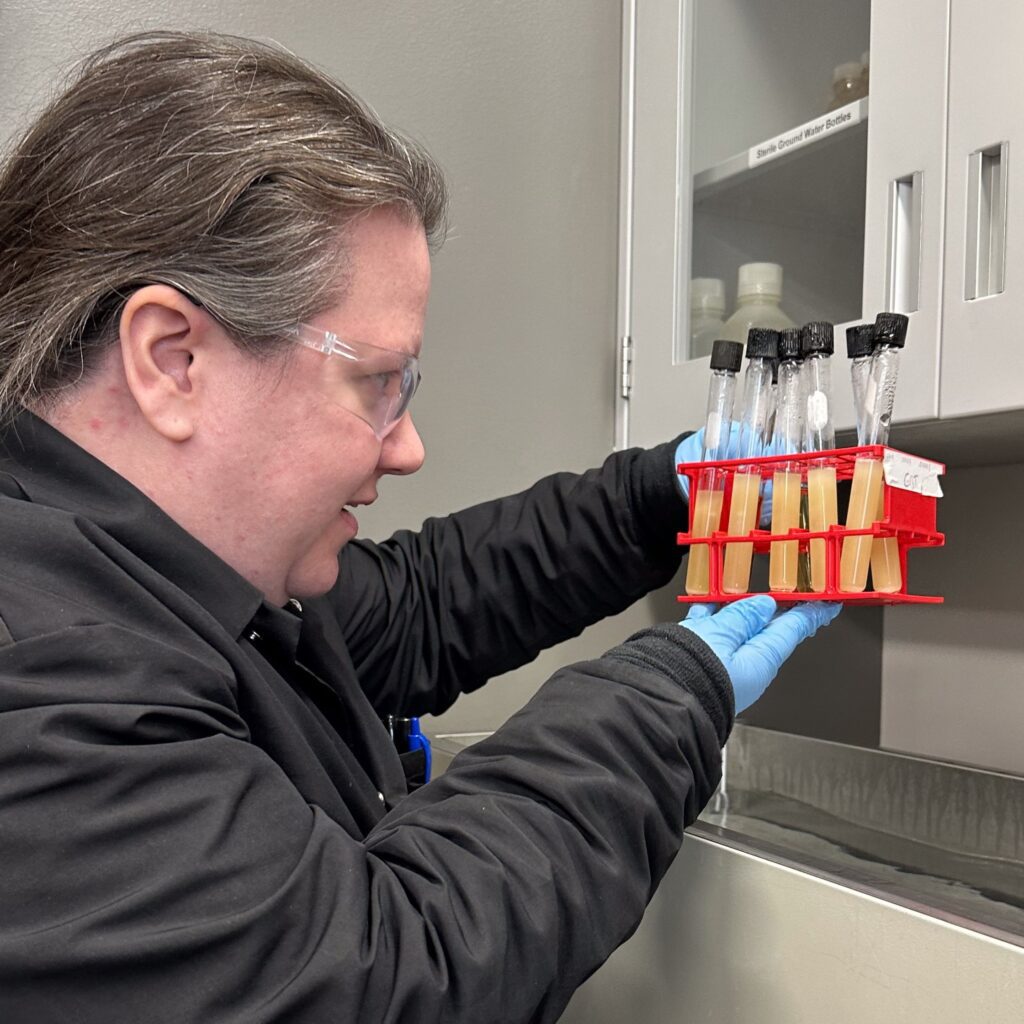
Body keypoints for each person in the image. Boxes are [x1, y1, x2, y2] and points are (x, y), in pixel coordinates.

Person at [0, 31, 839, 1023]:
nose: (406, 449)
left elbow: (408, 609)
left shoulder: (146, 574)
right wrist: (666, 693)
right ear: (172, 359)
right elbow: (395, 977)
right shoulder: (42, 681)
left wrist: (656, 497)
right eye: (376, 383)